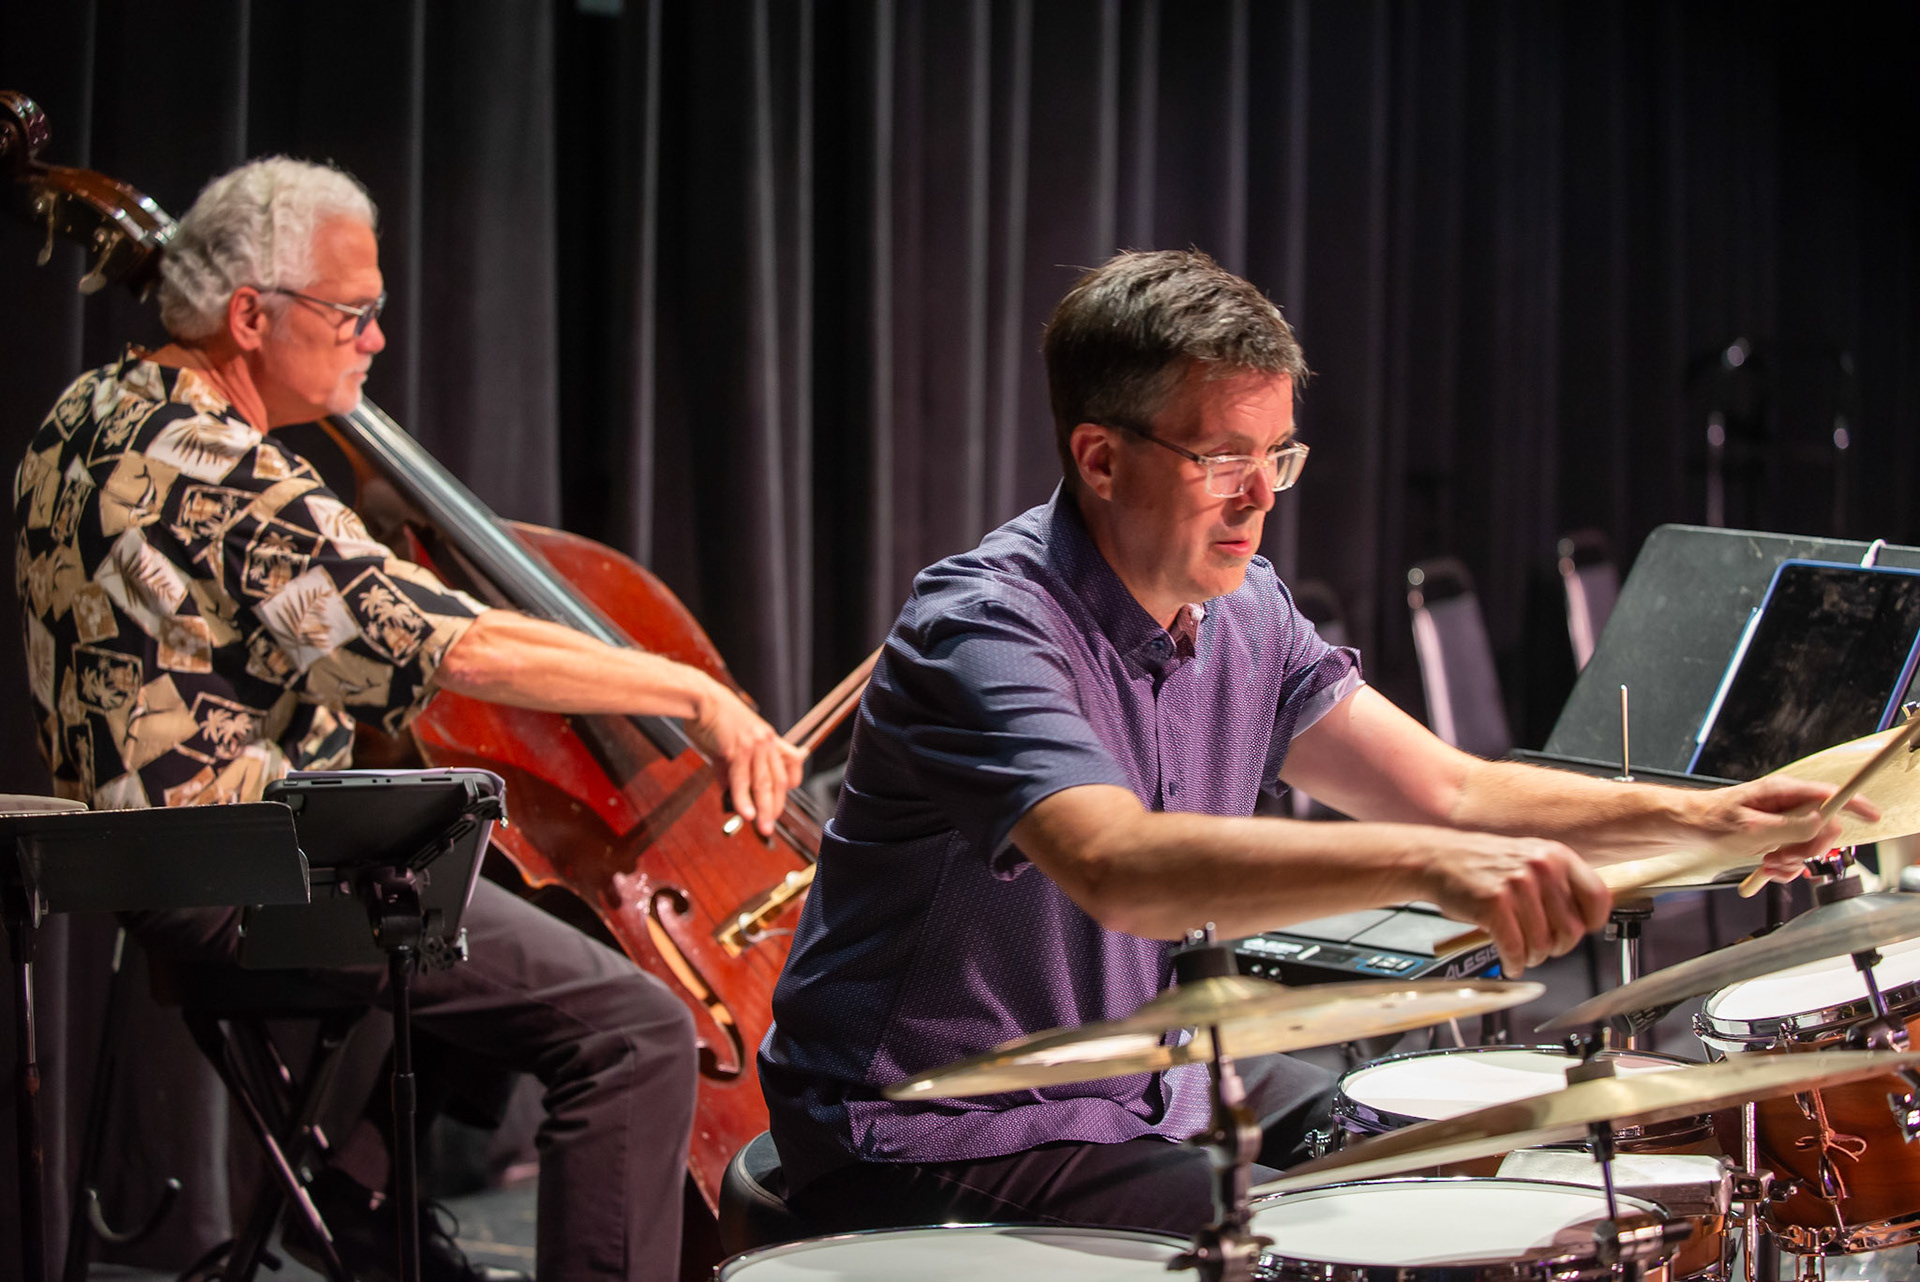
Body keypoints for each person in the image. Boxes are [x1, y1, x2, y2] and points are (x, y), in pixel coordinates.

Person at [757, 249, 1863, 1236]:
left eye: (1277, 456)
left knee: (1484, 1155)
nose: (1257, 497)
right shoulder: (987, 629)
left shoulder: (1247, 609)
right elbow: (1119, 864)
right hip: (937, 1126)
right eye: (1219, 458)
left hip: (1152, 1081)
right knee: (1294, 1240)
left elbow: (1455, 792)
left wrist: (1713, 818)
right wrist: (1431, 866)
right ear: (1099, 458)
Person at [13, 156, 805, 1282]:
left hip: (144, 870)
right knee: (632, 1028)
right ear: (251, 315)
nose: (376, 340)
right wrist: (694, 691)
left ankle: (370, 1214)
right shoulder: (220, 468)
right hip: (251, 877)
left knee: (494, 918)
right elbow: (447, 644)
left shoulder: (81, 415)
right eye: (355, 312)